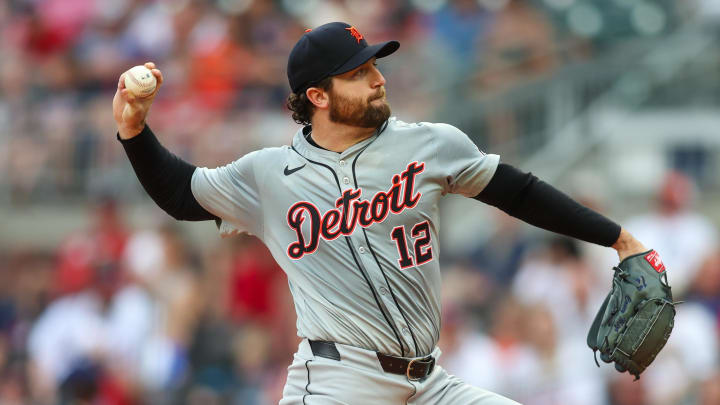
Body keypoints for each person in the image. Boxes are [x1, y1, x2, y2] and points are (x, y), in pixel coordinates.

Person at [112, 21, 648, 405]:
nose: (378, 78)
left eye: (374, 64)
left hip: (431, 382)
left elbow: (520, 192)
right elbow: (183, 195)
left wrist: (618, 237)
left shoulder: (430, 145)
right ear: (317, 96)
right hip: (339, 383)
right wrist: (134, 131)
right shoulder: (268, 175)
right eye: (359, 72)